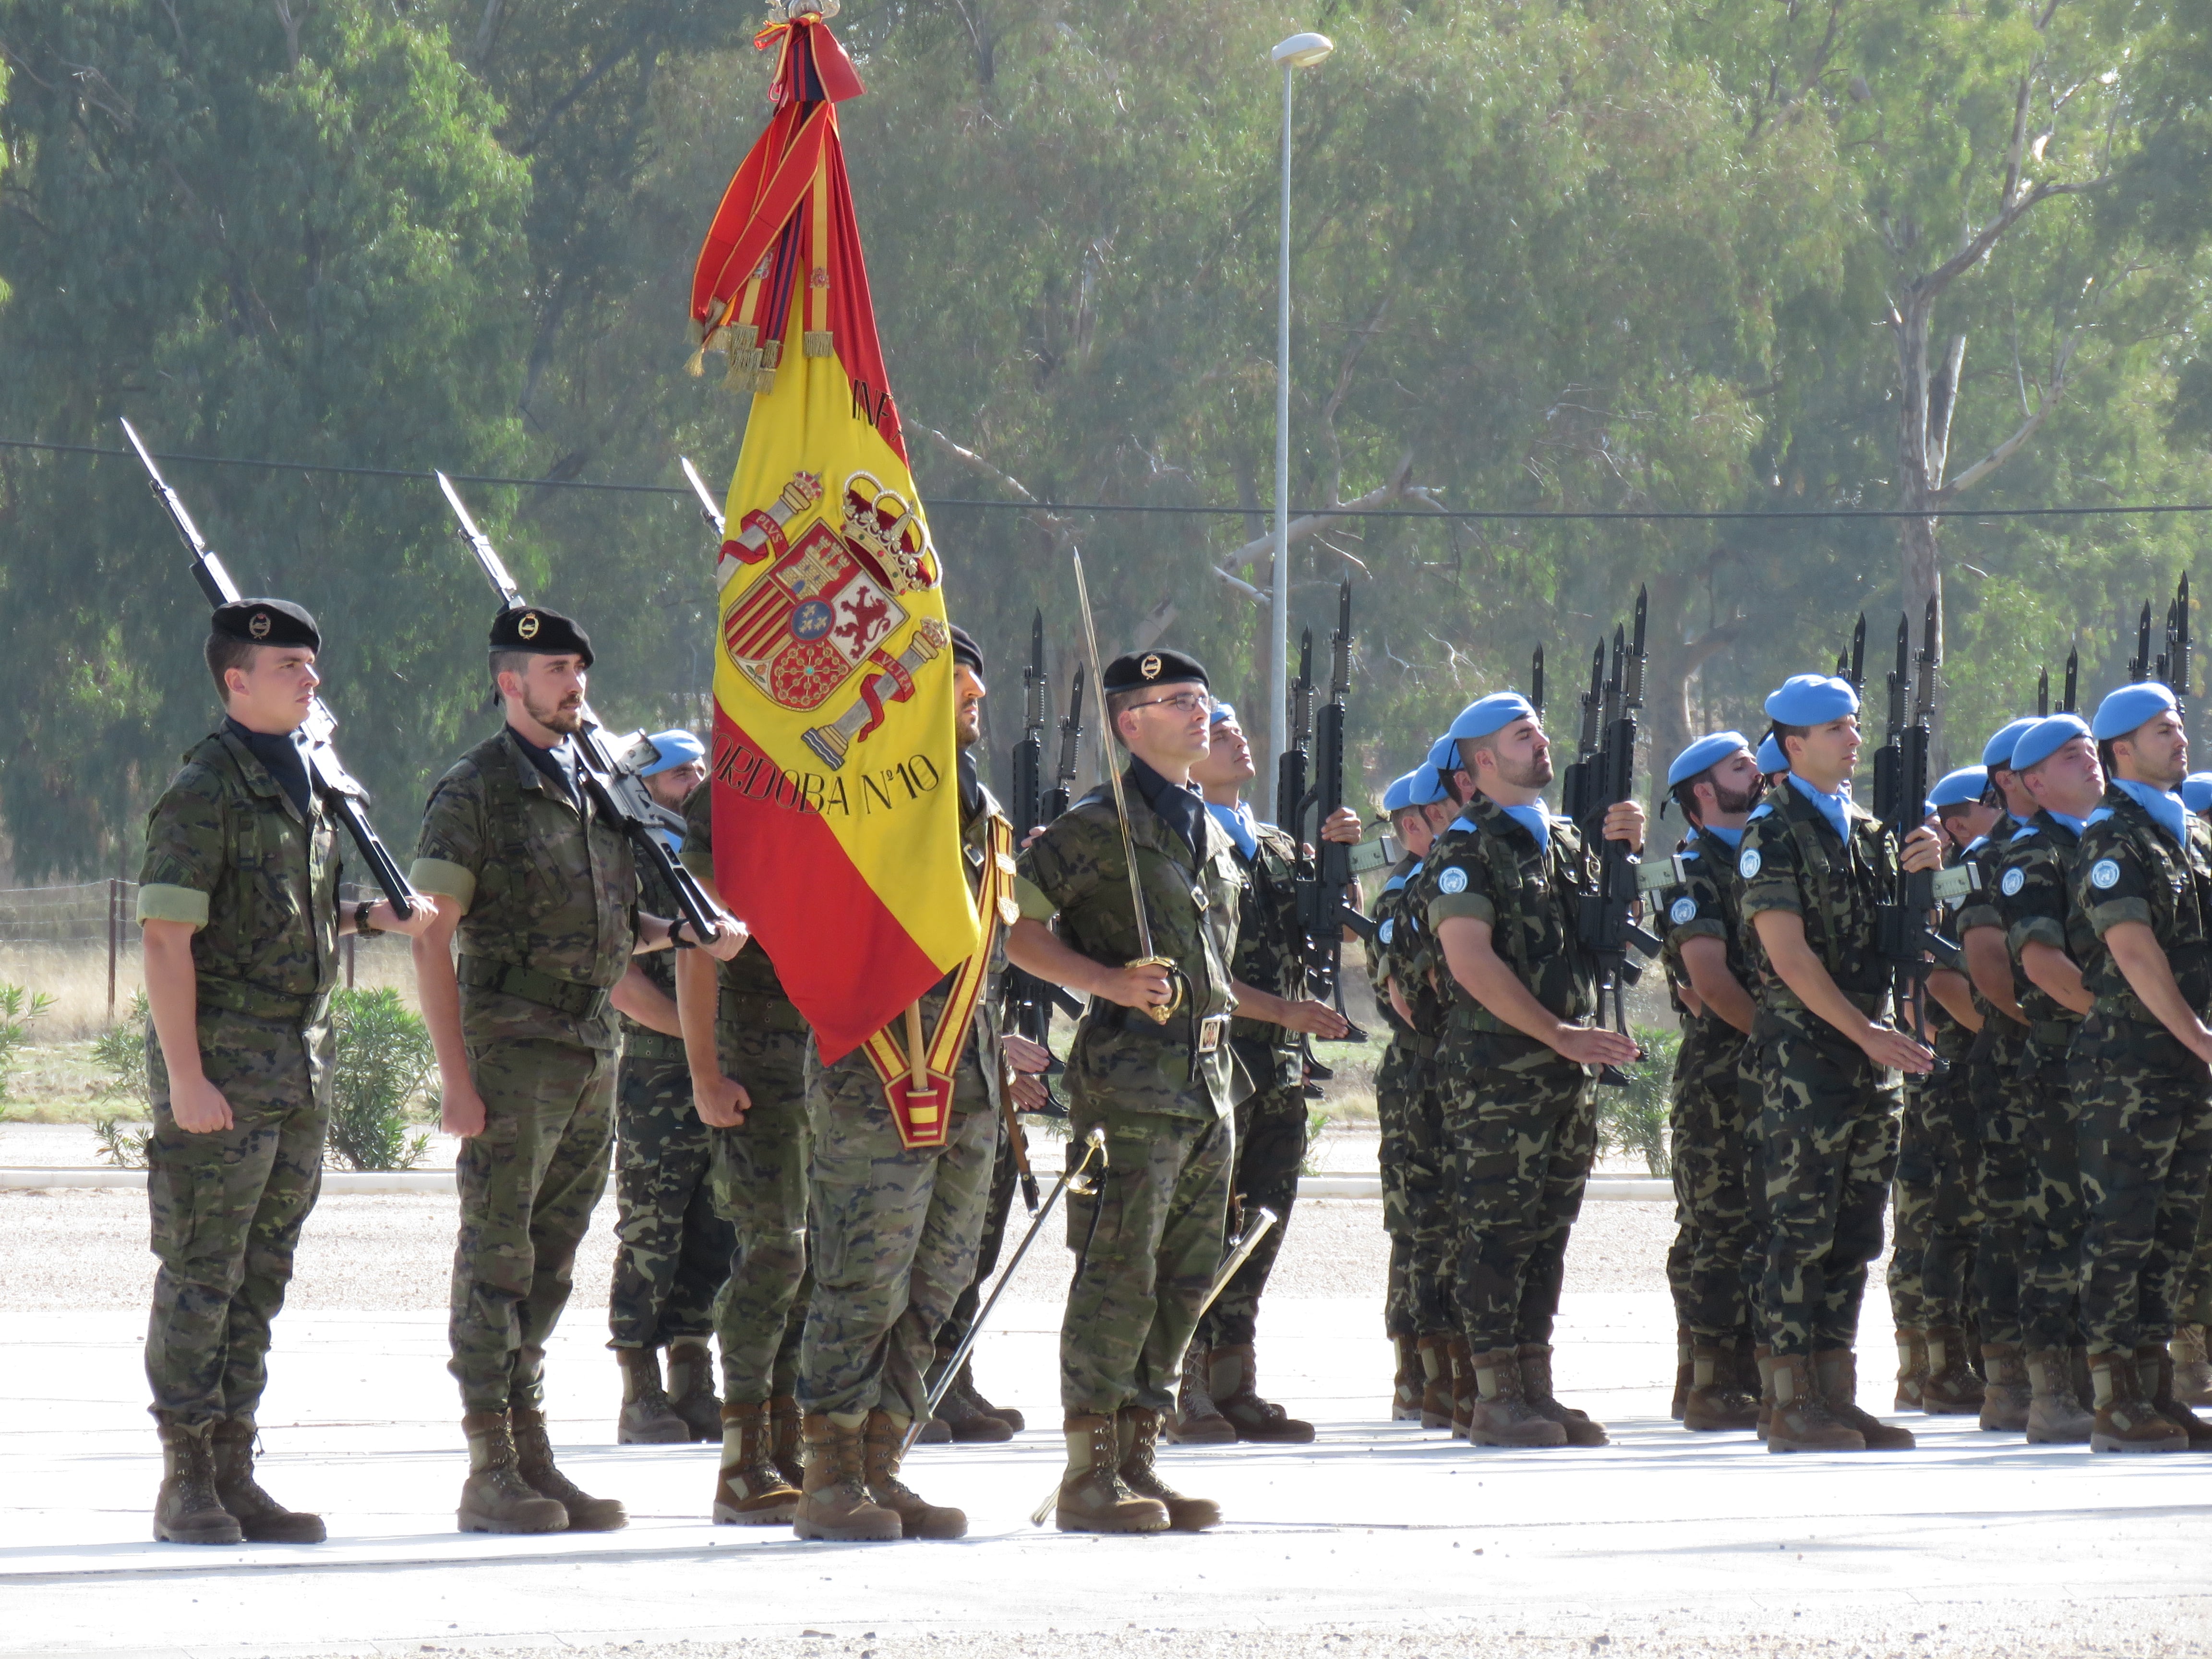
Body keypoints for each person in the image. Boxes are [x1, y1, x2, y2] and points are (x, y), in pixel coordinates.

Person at [409, 604, 744, 1535]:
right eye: (556, 670)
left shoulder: (598, 787)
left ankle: (532, 1449)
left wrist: (681, 932)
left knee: (553, 1263)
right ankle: (490, 1465)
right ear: (509, 682)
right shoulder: (475, 792)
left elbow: (616, 918)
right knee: (498, 1258)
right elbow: (432, 936)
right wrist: (456, 1077)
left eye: (580, 671)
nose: (576, 685)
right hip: (512, 1051)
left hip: (592, 1048)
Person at [1007, 647, 1345, 1534]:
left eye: (1201, 698)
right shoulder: (1092, 829)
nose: (1200, 714)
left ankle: (1140, 1457)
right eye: (1177, 702)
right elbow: (1016, 931)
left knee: (1187, 1276)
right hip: (1130, 1084)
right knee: (1119, 1273)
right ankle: (1090, 1472)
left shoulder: (1209, 826)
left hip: (1210, 1082)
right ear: (1129, 723)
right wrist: (1106, 982)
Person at [138, 598, 440, 1545]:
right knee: (202, 1271)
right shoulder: (207, 787)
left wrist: (363, 920)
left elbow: (277, 916)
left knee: (261, 1276)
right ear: (238, 680)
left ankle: (235, 1469)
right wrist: (186, 1077)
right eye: (291, 669)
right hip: (223, 1063)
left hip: (293, 1065)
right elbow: (165, 939)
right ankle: (185, 1479)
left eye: (313, 666)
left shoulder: (306, 782)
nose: (312, 682)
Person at [785, 625, 1015, 1544]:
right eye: (960, 681)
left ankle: (884, 1461)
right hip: (875, 1074)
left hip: (969, 1075)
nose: (975, 699)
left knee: (939, 1279)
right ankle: (828, 1472)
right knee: (861, 1276)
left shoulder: (980, 805)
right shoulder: (861, 797)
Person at [1424, 691, 1644, 1450]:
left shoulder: (1566, 842)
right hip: (1500, 1074)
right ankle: (1491, 1396)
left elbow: (1608, 945)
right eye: (1525, 736)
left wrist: (1625, 862)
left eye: (1541, 733)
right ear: (1485, 761)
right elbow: (1469, 960)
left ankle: (1533, 1390)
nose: (1542, 744)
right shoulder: (1465, 847)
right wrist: (1557, 1033)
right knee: (1495, 1234)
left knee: (1548, 1230)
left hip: (1562, 1074)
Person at [1737, 673, 1942, 1454]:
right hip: (1810, 1060)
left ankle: (1834, 1393)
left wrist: (1927, 869)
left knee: (1855, 1231)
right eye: (1836, 729)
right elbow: (1787, 956)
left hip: (1867, 1052)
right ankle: (1788, 1403)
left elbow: (1901, 937)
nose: (1854, 739)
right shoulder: (1774, 832)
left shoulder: (1869, 832)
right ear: (1795, 744)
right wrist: (1864, 1033)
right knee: (1799, 1229)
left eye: (1854, 726)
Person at [1171, 700, 1361, 1445]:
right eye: (1217, 730)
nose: (1236, 737)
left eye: (1239, 726)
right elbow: (1195, 964)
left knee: (1260, 1222)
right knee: (1199, 1226)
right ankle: (1180, 1382)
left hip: (1278, 1064)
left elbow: (1325, 931)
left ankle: (1232, 1381)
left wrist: (1339, 869)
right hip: (1209, 1059)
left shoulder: (1279, 844)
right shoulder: (1178, 837)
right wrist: (1282, 1010)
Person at [2066, 682, 2212, 1450]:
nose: (2180, 740)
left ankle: (2157, 1391)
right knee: (2122, 1230)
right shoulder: (2112, 838)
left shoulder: (2189, 833)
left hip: (2186, 1069)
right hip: (2131, 1070)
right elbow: (2133, 952)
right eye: (2163, 732)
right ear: (2121, 750)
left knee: (2174, 1231)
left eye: (2180, 728)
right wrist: (2201, 1040)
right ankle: (2114, 1401)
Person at [673, 772, 815, 1524]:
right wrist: (704, 1073)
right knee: (775, 1253)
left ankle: (789, 1437)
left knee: (820, 1258)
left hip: (838, 1053)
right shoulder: (736, 788)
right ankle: (743, 1455)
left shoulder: (863, 771)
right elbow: (699, 941)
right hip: (758, 1056)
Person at [603, 730, 729, 1445]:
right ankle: (639, 1386)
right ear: (645, 783)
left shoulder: (711, 857)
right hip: (659, 1070)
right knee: (653, 1228)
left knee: (717, 1226)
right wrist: (699, 1036)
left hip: (718, 1064)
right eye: (681, 774)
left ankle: (691, 1371)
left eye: (700, 770)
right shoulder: (629, 856)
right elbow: (620, 977)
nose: (696, 781)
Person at [1993, 712, 2105, 1442]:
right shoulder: (2032, 854)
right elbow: (2039, 965)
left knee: (2114, 1226)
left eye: (2093, 750)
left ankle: (2111, 1382)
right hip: (2067, 1062)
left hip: (2116, 1061)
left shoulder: (2107, 842)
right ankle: (2050, 1393)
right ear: (2033, 783)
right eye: (2072, 757)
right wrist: (2129, 1021)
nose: (2090, 763)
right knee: (2057, 1229)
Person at [1653, 731, 1765, 1433]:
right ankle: (1714, 1383)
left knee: (1753, 1226)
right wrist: (1787, 1042)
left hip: (1762, 1071)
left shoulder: (1760, 859)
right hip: (1723, 1076)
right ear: (1703, 792)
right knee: (1719, 1230)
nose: (1756, 772)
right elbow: (1713, 984)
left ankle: (1711, 1377)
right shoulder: (1691, 870)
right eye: (1739, 766)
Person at [1894, 768, 1995, 1418]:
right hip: (1954, 1072)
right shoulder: (1958, 882)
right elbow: (1929, 982)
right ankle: (1933, 1368)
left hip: (1967, 1067)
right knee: (1940, 1223)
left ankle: (1951, 1364)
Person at [1955, 720, 2044, 1432]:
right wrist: (2047, 1029)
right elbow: (1986, 966)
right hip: (2017, 1061)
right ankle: (2009, 1379)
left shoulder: (2083, 841)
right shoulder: (1988, 857)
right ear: (2010, 780)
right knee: (2011, 1221)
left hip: (2076, 1063)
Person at [1367, 762, 1461, 1426]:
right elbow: (1403, 1000)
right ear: (1411, 827)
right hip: (1420, 1078)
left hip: (1452, 1072)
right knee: (1422, 1224)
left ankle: (1440, 1371)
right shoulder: (1405, 896)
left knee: (1448, 1223)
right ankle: (1422, 1373)